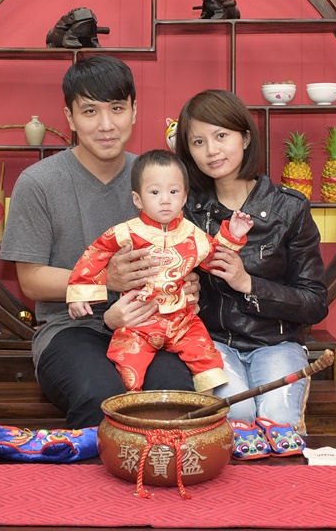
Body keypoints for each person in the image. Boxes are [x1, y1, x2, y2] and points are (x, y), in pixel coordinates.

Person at [0, 55, 200, 428]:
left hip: (152, 324)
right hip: (70, 329)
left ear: (134, 111)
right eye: (90, 111)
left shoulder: (159, 177)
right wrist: (106, 279)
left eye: (117, 109)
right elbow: (31, 281)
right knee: (100, 398)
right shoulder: (39, 182)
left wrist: (187, 280)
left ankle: (159, 468)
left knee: (172, 396)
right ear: (70, 117)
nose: (106, 125)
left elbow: (183, 247)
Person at [174, 89, 328, 449]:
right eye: (198, 141)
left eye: (221, 136)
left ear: (245, 138)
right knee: (236, 414)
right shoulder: (186, 210)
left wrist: (248, 283)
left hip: (277, 343)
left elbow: (315, 303)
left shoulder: (289, 208)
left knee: (278, 419)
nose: (211, 150)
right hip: (212, 342)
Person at [66, 149, 253, 393]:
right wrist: (80, 294)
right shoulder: (126, 232)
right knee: (128, 370)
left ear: (184, 197)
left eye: (173, 192)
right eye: (155, 192)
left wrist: (233, 235)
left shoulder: (193, 235)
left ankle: (203, 410)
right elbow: (95, 254)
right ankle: (131, 410)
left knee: (207, 360)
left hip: (182, 322)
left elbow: (215, 260)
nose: (165, 200)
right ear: (137, 199)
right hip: (138, 322)